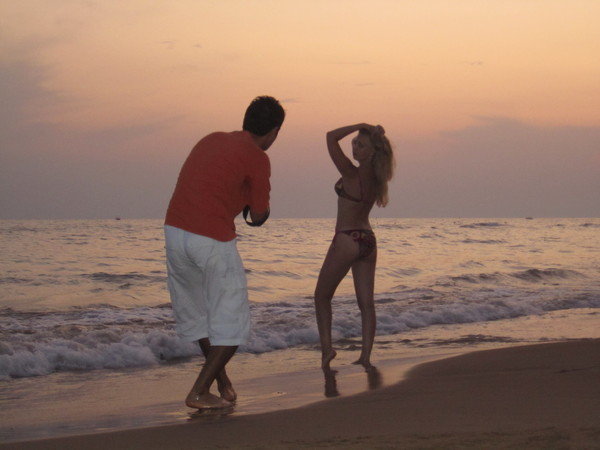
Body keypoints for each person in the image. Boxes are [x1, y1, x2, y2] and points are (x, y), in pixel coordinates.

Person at [164, 96, 285, 409]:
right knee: (233, 321)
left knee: (199, 314)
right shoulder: (258, 157)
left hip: (175, 231)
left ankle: (222, 383)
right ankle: (198, 392)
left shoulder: (211, 139)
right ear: (274, 131)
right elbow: (257, 215)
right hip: (211, 237)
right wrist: (255, 205)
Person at [314, 123, 394, 372]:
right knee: (366, 304)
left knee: (321, 297)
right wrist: (367, 132)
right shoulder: (377, 179)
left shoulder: (351, 173)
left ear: (372, 152)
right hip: (367, 240)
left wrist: (360, 125)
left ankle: (327, 350)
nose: (354, 147)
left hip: (347, 238)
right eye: (354, 143)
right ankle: (365, 357)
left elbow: (330, 136)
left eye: (361, 145)